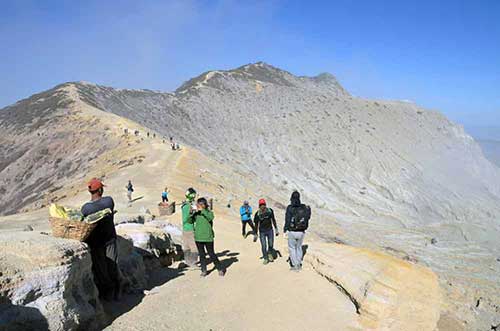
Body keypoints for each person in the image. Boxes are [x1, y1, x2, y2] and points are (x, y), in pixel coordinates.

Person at [81, 178, 121, 301]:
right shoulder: (109, 201)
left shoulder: (86, 208)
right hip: (109, 239)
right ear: (100, 190)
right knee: (112, 265)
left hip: (95, 242)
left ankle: (106, 292)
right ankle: (117, 290)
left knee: (100, 269)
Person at [188, 197, 226, 277]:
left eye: (201, 204)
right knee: (202, 255)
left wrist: (202, 211)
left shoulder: (209, 212)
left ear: (205, 205)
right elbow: (189, 221)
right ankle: (204, 270)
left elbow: (210, 218)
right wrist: (191, 213)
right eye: (198, 204)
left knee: (211, 254)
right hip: (198, 237)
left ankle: (219, 268)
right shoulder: (196, 213)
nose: (199, 206)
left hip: (208, 237)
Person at [284, 191, 311, 271]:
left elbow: (287, 219)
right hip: (301, 232)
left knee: (292, 248)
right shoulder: (304, 207)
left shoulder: (290, 207)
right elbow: (308, 217)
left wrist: (285, 229)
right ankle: (299, 264)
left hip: (292, 231)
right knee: (299, 247)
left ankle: (294, 266)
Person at [253, 199, 279, 265]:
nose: (262, 206)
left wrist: (276, 229)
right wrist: (255, 234)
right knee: (264, 245)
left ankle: (270, 254)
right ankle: (265, 258)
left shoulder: (270, 211)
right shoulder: (257, 214)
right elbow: (256, 225)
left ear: (265, 205)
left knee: (271, 244)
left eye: (263, 204)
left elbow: (273, 220)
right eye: (261, 205)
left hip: (270, 230)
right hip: (262, 232)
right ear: (259, 206)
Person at [181, 188, 198, 267]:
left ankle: (187, 261)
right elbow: (189, 218)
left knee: (186, 246)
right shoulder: (190, 206)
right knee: (194, 247)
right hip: (190, 228)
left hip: (184, 229)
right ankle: (193, 262)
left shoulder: (184, 205)